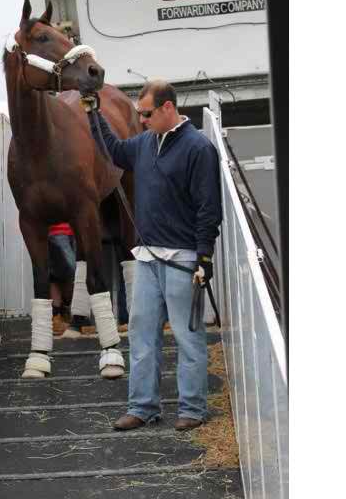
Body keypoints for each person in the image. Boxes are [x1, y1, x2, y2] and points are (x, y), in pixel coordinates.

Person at [81, 78, 222, 432]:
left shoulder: (198, 148)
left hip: (183, 259)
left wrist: (204, 257)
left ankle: (192, 408)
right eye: (139, 114)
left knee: (188, 337)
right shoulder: (145, 143)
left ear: (167, 107)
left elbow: (209, 208)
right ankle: (142, 407)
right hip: (146, 258)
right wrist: (94, 114)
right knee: (141, 335)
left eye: (146, 114)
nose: (141, 120)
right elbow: (114, 151)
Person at [47, 222, 76, 335]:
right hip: (56, 231)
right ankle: (57, 314)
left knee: (73, 272)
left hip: (76, 230)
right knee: (64, 272)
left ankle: (61, 312)